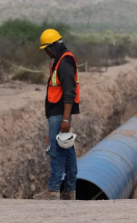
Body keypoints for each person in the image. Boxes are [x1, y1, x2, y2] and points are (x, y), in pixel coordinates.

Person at [34, 29, 79, 200]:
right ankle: (69, 190)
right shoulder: (60, 60)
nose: (46, 52)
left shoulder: (65, 62)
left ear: (53, 46)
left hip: (60, 114)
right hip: (59, 114)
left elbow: (69, 92)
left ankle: (53, 190)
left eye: (47, 48)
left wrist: (65, 119)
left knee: (56, 150)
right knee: (67, 151)